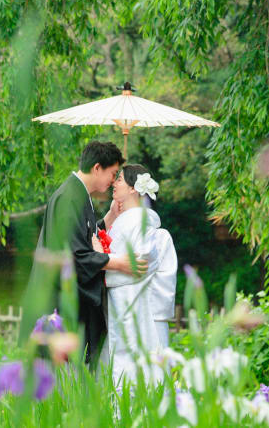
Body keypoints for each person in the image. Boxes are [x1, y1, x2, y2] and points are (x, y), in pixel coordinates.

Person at [22, 141, 148, 367]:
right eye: (112, 173)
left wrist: (108, 219)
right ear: (97, 168)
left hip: (61, 299)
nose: (113, 181)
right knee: (61, 384)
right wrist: (117, 263)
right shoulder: (71, 197)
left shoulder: (77, 193)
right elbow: (74, 255)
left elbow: (81, 235)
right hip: (57, 304)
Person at [98, 163, 177, 387]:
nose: (114, 182)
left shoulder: (144, 226)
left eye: (120, 179)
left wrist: (101, 262)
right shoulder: (125, 222)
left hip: (133, 308)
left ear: (134, 188)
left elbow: (138, 267)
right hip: (121, 308)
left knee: (132, 375)